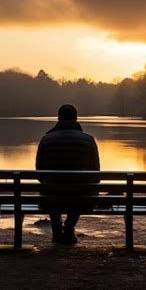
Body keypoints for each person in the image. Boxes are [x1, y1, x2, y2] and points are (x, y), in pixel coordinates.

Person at [35, 104, 100, 244]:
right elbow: (96, 175)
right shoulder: (88, 140)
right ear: (76, 119)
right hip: (81, 198)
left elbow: (39, 174)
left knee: (51, 189)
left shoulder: (46, 139)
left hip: (51, 197)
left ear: (58, 118)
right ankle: (69, 227)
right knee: (80, 191)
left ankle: (57, 230)